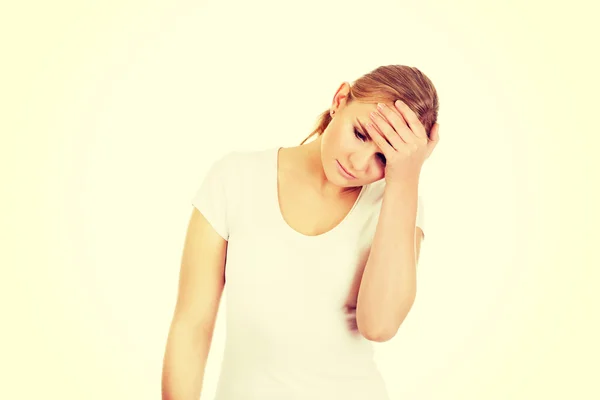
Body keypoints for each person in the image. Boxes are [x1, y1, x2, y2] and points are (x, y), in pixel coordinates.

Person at [161, 64, 440, 400]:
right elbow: (192, 325)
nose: (359, 162)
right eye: (361, 134)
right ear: (340, 99)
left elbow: (379, 325)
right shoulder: (235, 179)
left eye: (384, 157)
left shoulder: (396, 203)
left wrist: (405, 178)